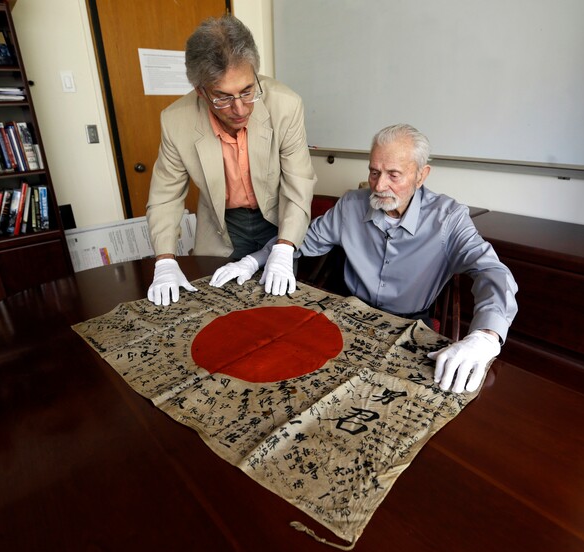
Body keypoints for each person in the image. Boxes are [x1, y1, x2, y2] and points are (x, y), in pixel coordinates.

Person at [210, 123, 518, 394]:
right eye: (374, 171)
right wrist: (254, 259)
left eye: (393, 174)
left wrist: (486, 335)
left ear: (421, 175)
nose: (379, 185)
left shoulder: (448, 218)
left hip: (408, 326)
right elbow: (297, 242)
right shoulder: (351, 205)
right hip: (348, 317)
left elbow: (491, 270)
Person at [146, 15, 317, 306]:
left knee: (279, 304)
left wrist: (285, 247)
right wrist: (164, 261)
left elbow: (298, 182)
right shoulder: (176, 121)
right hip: (221, 223)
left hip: (276, 217)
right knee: (216, 308)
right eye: (222, 97)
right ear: (200, 91)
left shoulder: (285, 106)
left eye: (247, 91)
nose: (239, 109)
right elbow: (165, 196)